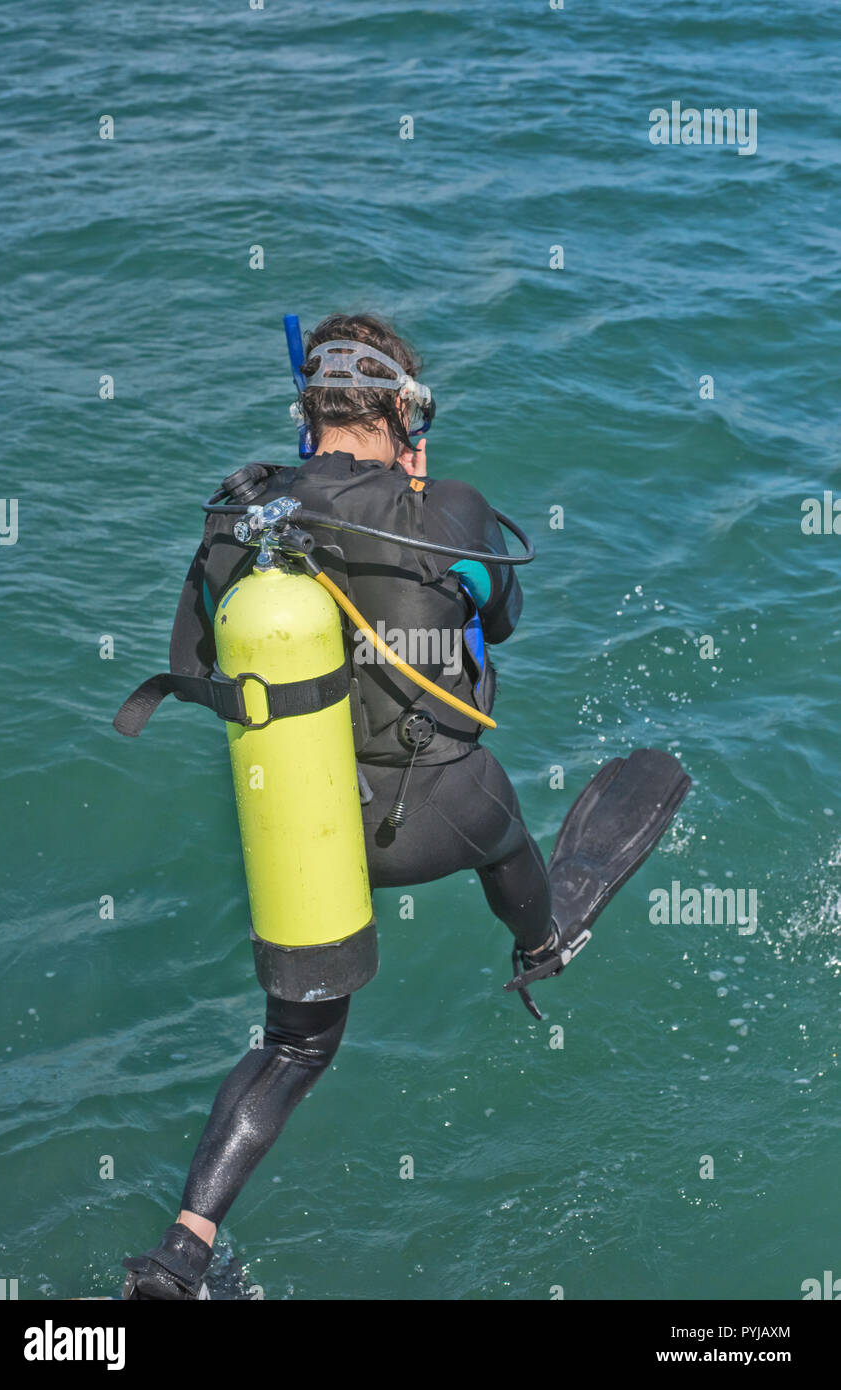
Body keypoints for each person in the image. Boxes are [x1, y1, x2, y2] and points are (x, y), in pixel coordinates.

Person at [117, 314, 689, 1299]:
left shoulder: (238, 517)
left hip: (307, 836)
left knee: (294, 1047)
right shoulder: (451, 507)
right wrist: (425, 507)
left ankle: (183, 1248)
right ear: (403, 415)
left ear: (306, 420)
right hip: (448, 816)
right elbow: (501, 617)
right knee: (503, 829)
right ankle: (540, 941)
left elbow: (195, 663)